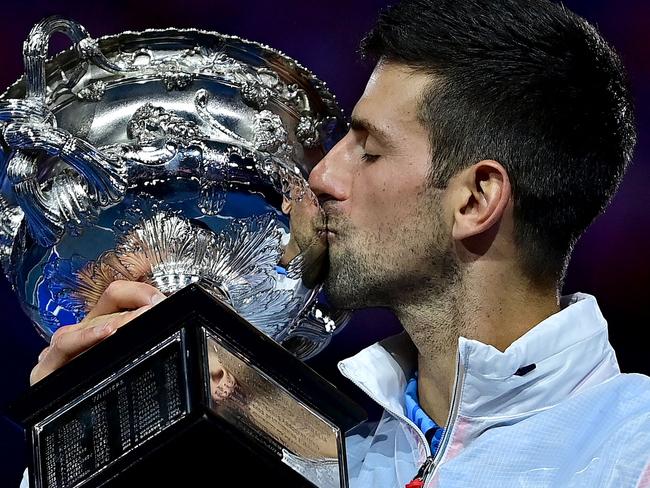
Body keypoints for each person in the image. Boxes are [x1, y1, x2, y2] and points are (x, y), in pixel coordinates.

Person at [27, 0, 650, 487]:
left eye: (369, 151)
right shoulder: (308, 439)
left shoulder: (631, 450)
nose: (322, 176)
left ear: (475, 199)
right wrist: (83, 443)